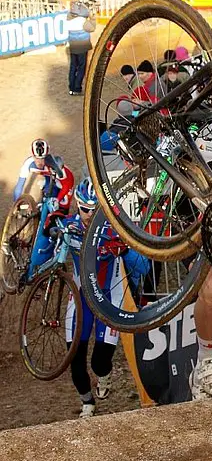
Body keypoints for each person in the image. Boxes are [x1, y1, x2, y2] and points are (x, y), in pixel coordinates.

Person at [61, 179, 151, 418]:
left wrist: (126, 250)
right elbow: (48, 252)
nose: (90, 215)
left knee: (99, 362)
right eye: (85, 209)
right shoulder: (69, 226)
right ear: (77, 206)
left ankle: (104, 373)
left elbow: (144, 267)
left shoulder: (113, 228)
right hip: (80, 298)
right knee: (74, 357)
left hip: (109, 299)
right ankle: (87, 403)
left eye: (96, 209)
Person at [13, 139, 74, 213]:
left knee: (62, 211)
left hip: (63, 183)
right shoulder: (28, 164)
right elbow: (19, 186)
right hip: (49, 179)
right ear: (32, 155)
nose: (40, 162)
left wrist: (57, 200)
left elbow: (66, 186)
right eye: (36, 158)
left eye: (43, 158)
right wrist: (16, 204)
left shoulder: (56, 165)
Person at [66, 0, 96, 95]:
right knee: (81, 68)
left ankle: (71, 87)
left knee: (73, 67)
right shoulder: (83, 22)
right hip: (82, 47)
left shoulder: (69, 19)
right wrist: (92, 19)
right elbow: (92, 28)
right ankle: (77, 88)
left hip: (73, 47)